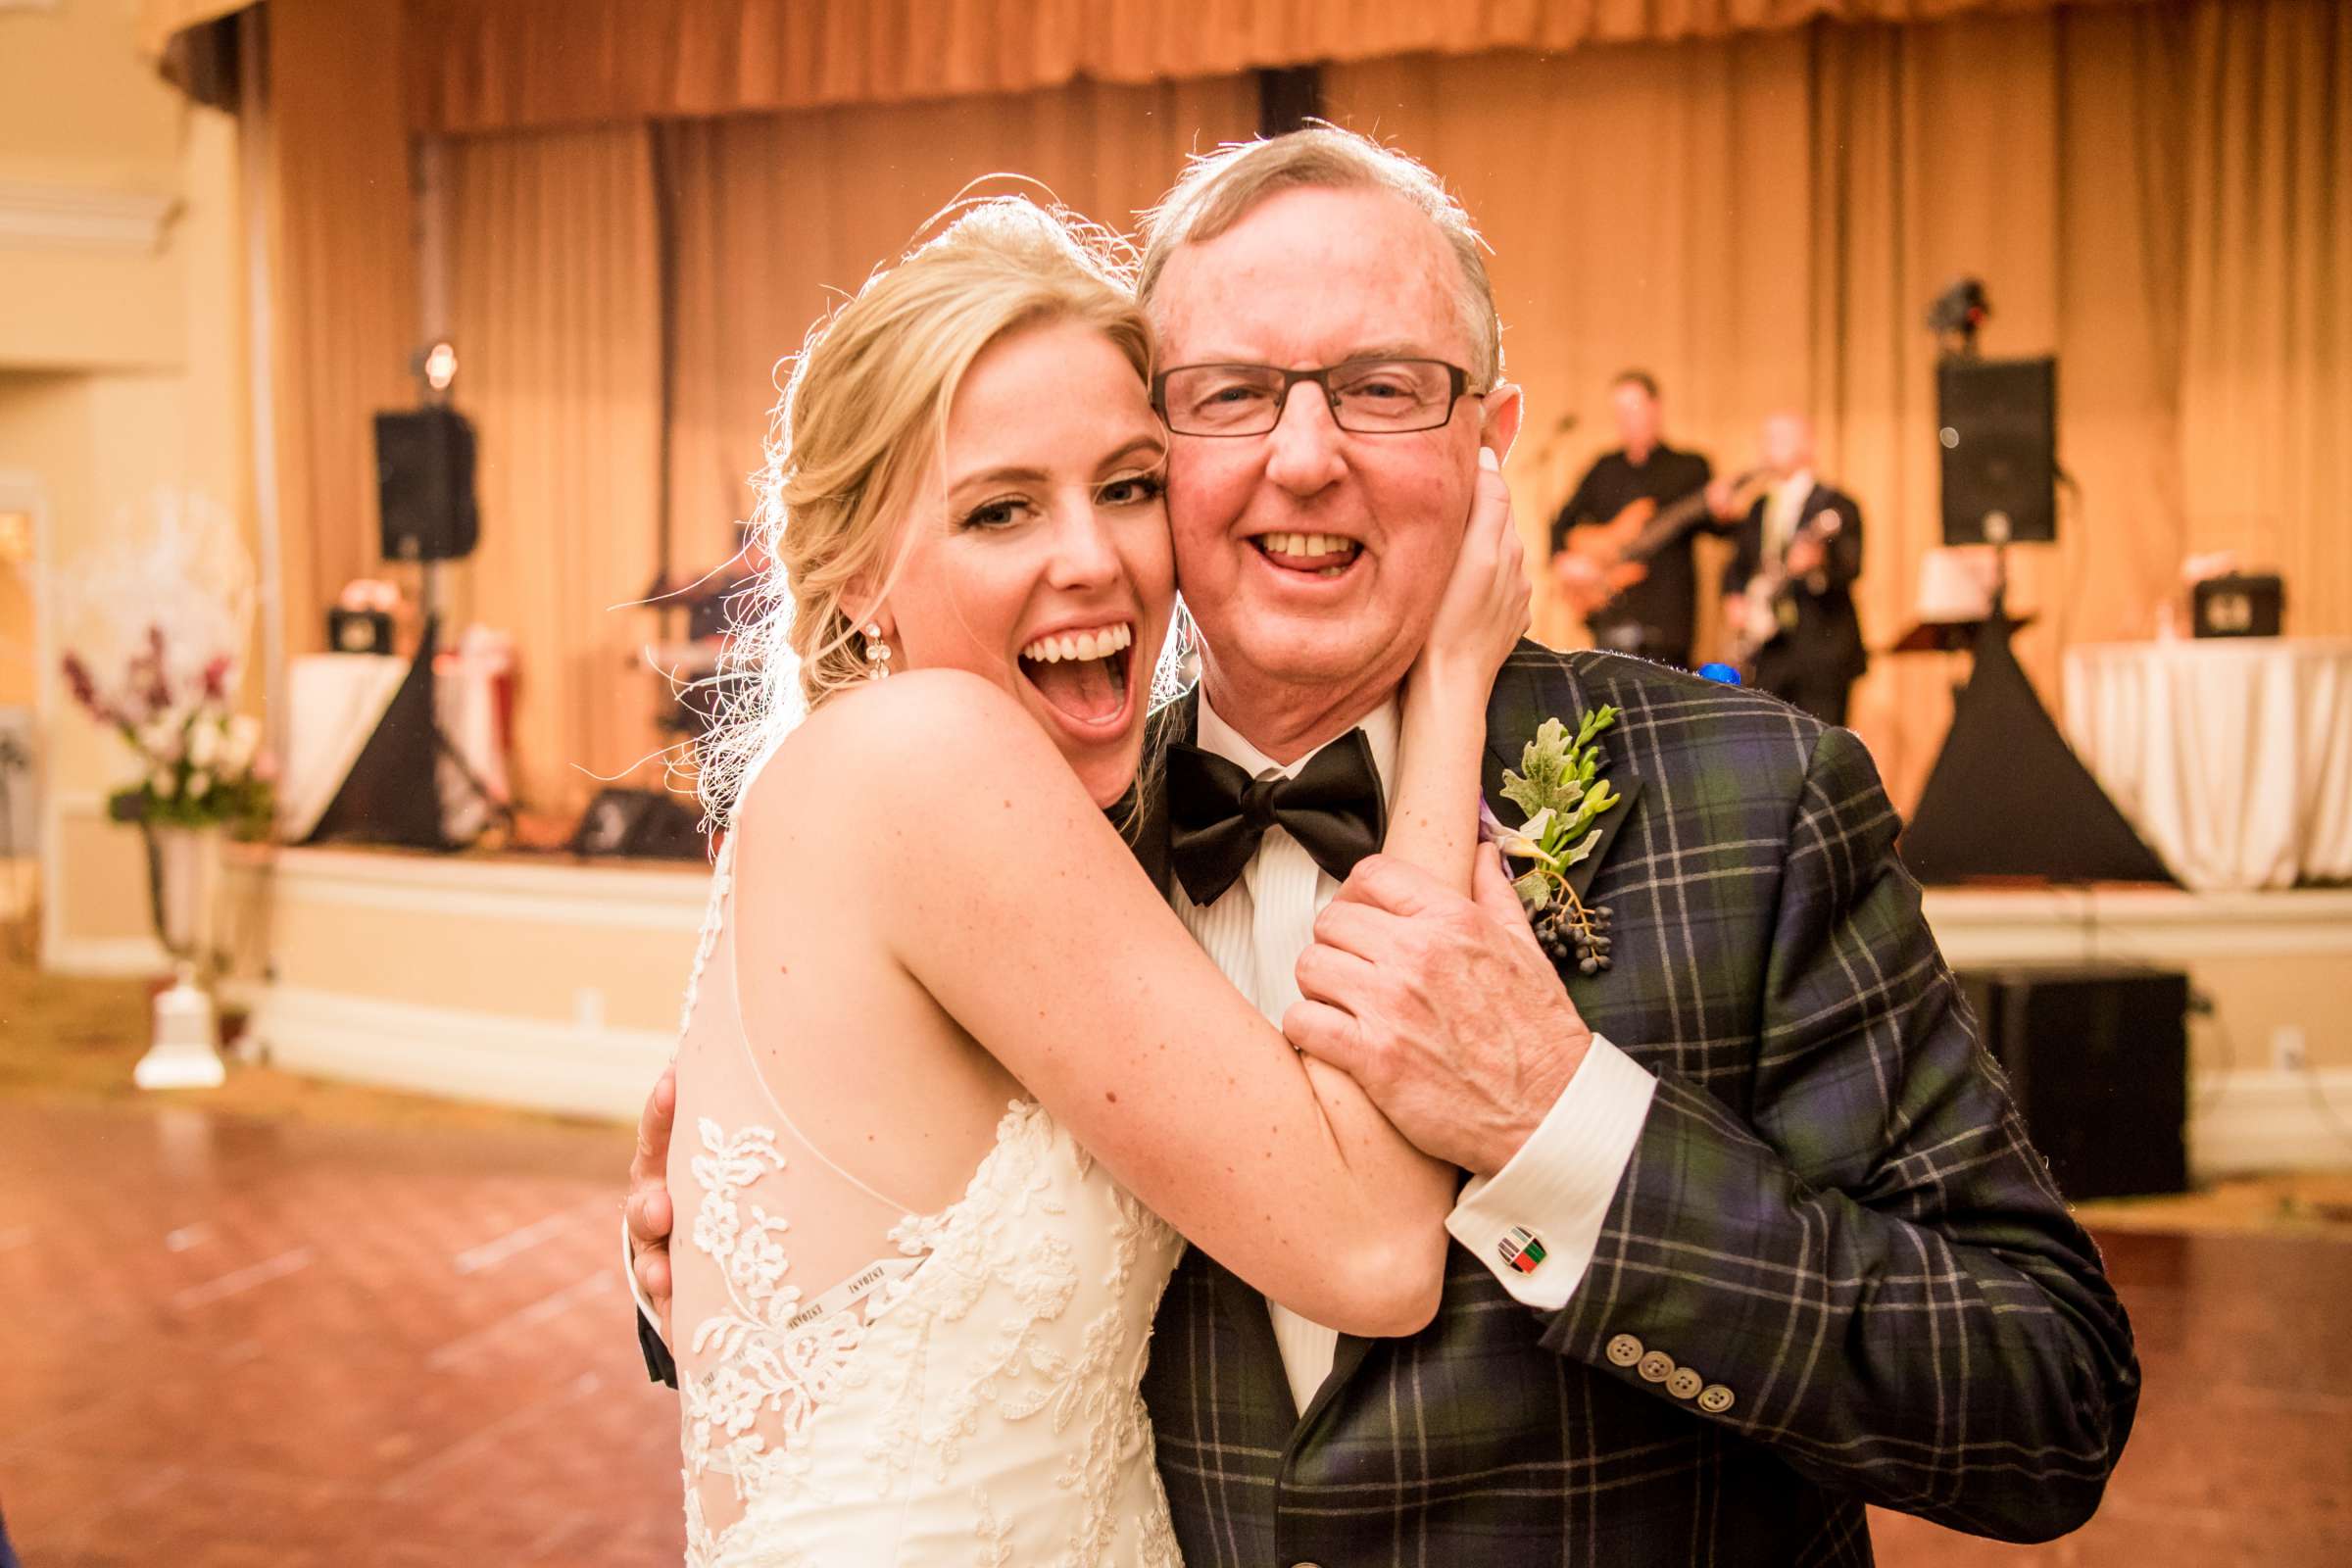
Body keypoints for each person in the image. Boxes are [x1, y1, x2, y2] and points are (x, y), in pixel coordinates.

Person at [634, 129, 2139, 1563]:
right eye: (1227, 396)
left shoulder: (1756, 801)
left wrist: (1565, 1128)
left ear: (1490, 444)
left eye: (1381, 389)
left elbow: (2042, 1402)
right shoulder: (1047, 823)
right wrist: (695, 1248)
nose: (1301, 460)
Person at [651, 197, 1529, 1564]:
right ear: (851, 572)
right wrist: (1458, 681)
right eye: (1001, 510)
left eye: (1127, 486)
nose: (1094, 557)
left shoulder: (905, 795)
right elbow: (1371, 1250)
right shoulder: (928, 757)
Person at [1546, 369, 1724, 666]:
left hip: (1668, 618)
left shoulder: (1689, 467)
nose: (1627, 419)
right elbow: (1561, 523)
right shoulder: (1604, 468)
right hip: (1611, 613)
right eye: (1620, 411)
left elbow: (1719, 528)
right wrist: (1566, 562)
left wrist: (1724, 511)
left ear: (1656, 408)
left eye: (1634, 408)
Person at [1712, 411, 1868, 724]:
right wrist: (1735, 597)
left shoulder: (1838, 505)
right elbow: (1738, 565)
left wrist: (1818, 564)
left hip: (1822, 649)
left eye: (1781, 438)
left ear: (1808, 446)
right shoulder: (1759, 508)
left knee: (1822, 747)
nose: (1769, 446)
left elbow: (1851, 568)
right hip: (1769, 651)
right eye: (1766, 438)